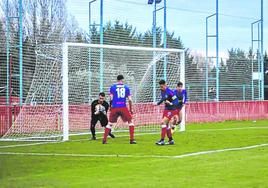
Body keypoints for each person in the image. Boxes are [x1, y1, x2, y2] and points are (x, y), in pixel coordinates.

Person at [102, 75, 136, 144]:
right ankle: (132, 140)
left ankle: (104, 140)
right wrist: (130, 109)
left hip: (114, 107)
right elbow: (130, 100)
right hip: (123, 107)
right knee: (130, 122)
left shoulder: (112, 87)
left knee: (110, 124)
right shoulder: (126, 88)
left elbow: (111, 98)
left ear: (117, 80)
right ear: (122, 79)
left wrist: (110, 107)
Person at [155, 80, 179, 145]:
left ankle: (162, 140)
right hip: (166, 109)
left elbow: (176, 101)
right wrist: (157, 104)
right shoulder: (162, 91)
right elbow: (163, 99)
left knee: (163, 122)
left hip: (171, 110)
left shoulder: (170, 92)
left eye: (162, 86)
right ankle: (171, 140)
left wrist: (170, 103)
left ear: (165, 85)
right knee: (167, 124)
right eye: (160, 87)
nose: (161, 88)